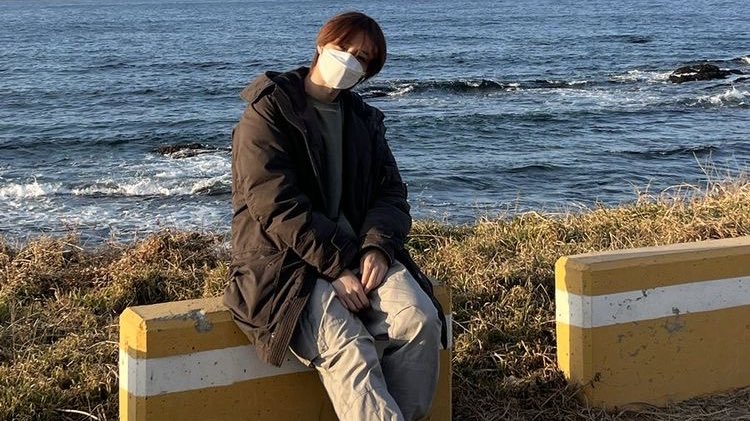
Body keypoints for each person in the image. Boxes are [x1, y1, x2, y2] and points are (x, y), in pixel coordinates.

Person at [223, 11, 447, 421]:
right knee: (349, 347)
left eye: (363, 58)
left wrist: (378, 248)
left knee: (419, 319)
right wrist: (337, 266)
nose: (350, 61)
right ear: (322, 44)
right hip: (287, 265)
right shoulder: (268, 112)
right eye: (344, 48)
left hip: (358, 255)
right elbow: (275, 204)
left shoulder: (363, 120)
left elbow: (391, 194)